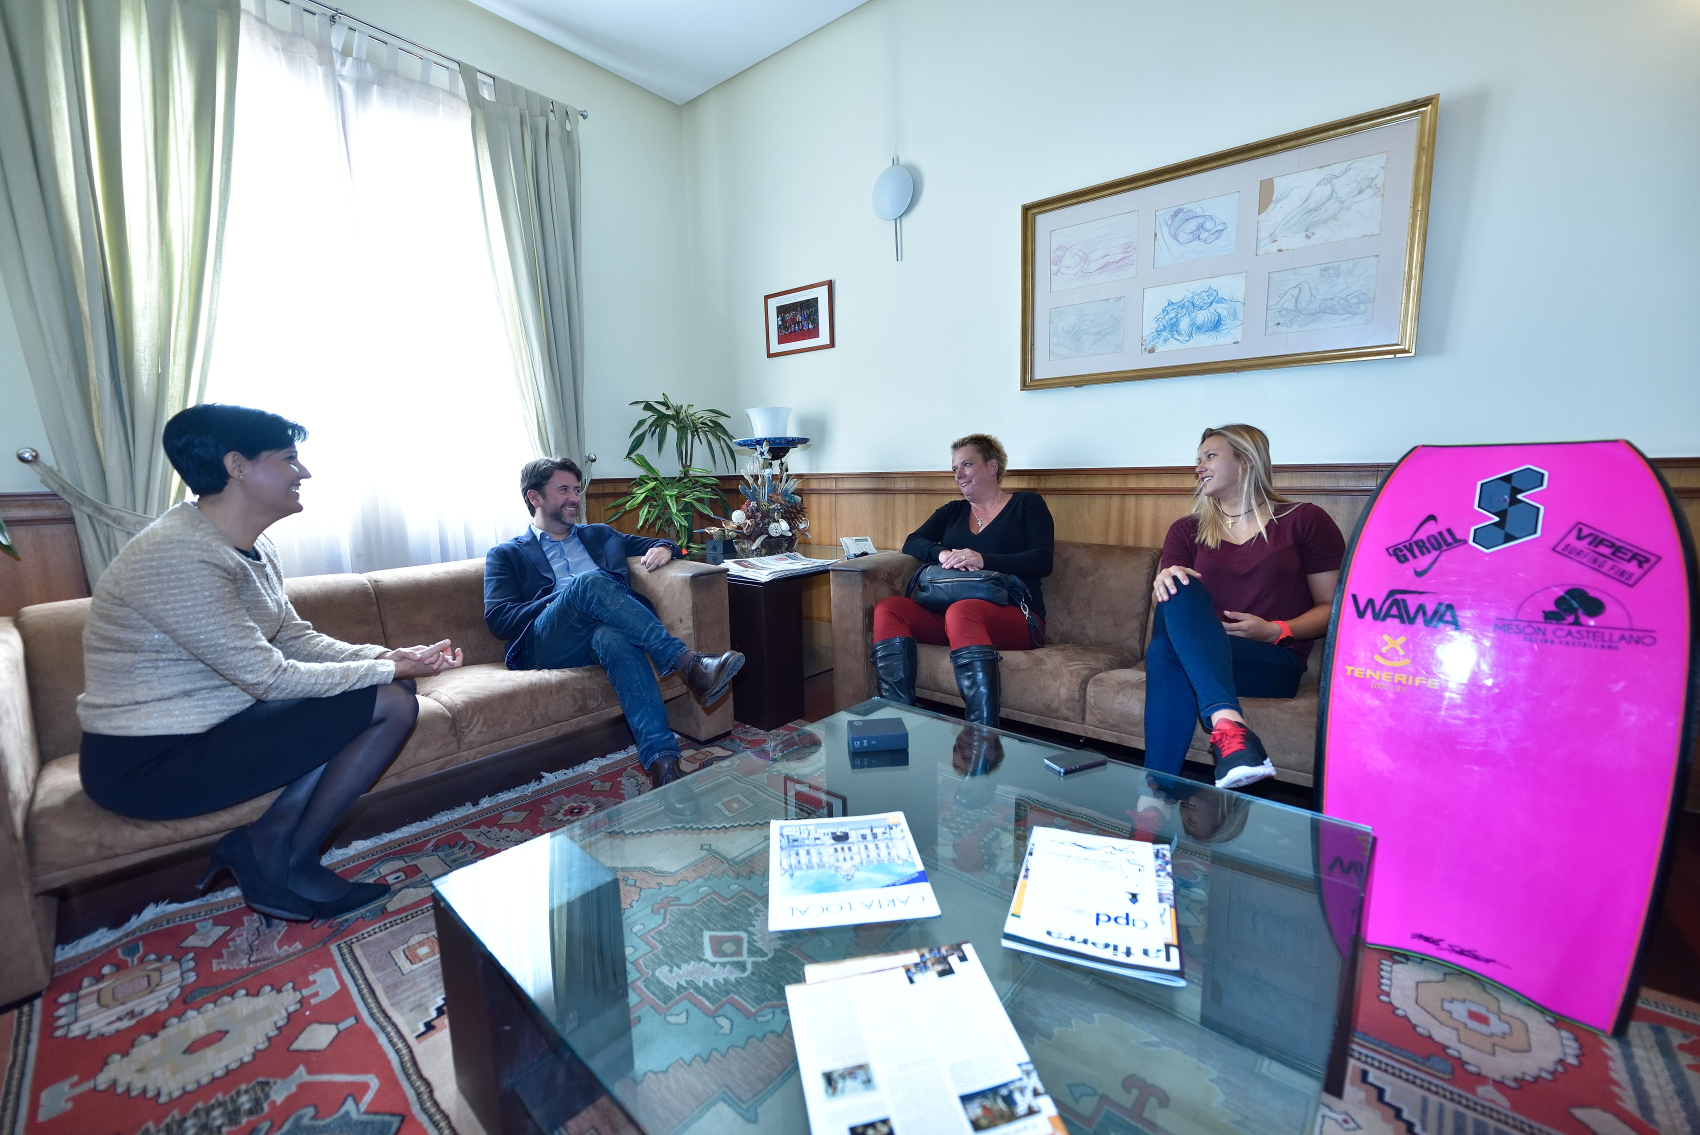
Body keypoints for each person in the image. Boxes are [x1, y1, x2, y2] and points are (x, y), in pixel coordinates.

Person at [77, 404, 465, 922]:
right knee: (390, 701)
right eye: (288, 458)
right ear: (237, 466)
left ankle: (272, 845)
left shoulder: (253, 547)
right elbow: (269, 676)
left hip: (215, 729)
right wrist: (390, 671)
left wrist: (385, 656)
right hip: (148, 761)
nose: (304, 472)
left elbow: (293, 638)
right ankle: (283, 856)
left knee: (387, 692)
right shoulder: (178, 555)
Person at [484, 457, 745, 789]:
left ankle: (664, 767)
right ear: (534, 497)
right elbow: (499, 619)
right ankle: (687, 663)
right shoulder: (506, 554)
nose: (574, 498)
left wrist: (666, 549)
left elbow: (661, 544)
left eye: (576, 490)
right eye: (563, 490)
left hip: (597, 638)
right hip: (546, 644)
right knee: (588, 582)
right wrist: (567, 599)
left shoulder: (600, 535)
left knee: (614, 638)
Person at [1145, 424, 1344, 790]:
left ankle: (1153, 800)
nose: (1199, 467)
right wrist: (1166, 579)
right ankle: (1229, 727)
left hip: (1272, 660)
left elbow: (1333, 609)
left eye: (1210, 456)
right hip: (1199, 650)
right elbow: (1172, 605)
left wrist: (1276, 630)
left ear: (1247, 460)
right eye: (1197, 459)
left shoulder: (1304, 520)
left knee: (1165, 649)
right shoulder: (1186, 530)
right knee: (1176, 590)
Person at [871, 434, 1054, 727]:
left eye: (967, 464)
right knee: (889, 608)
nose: (959, 474)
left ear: (992, 466)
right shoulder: (953, 511)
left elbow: (1042, 560)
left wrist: (983, 559)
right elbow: (912, 541)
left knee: (962, 612)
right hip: (950, 617)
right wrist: (941, 553)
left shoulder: (1027, 504)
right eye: (955, 468)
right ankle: (897, 720)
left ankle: (983, 734)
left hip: (1016, 615)